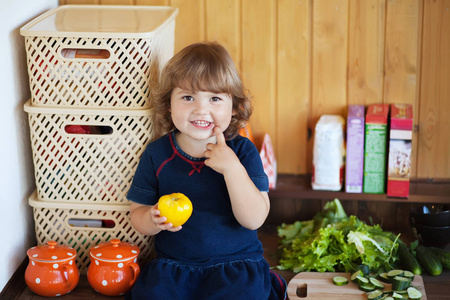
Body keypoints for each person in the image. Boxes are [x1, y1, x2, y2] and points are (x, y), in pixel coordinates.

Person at [125, 41, 286, 300]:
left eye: (215, 98)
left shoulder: (243, 152)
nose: (201, 109)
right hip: (174, 268)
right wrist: (152, 219)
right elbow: (137, 215)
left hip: (236, 267)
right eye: (188, 97)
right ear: (169, 104)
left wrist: (232, 169)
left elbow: (254, 219)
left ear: (233, 106)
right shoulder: (157, 153)